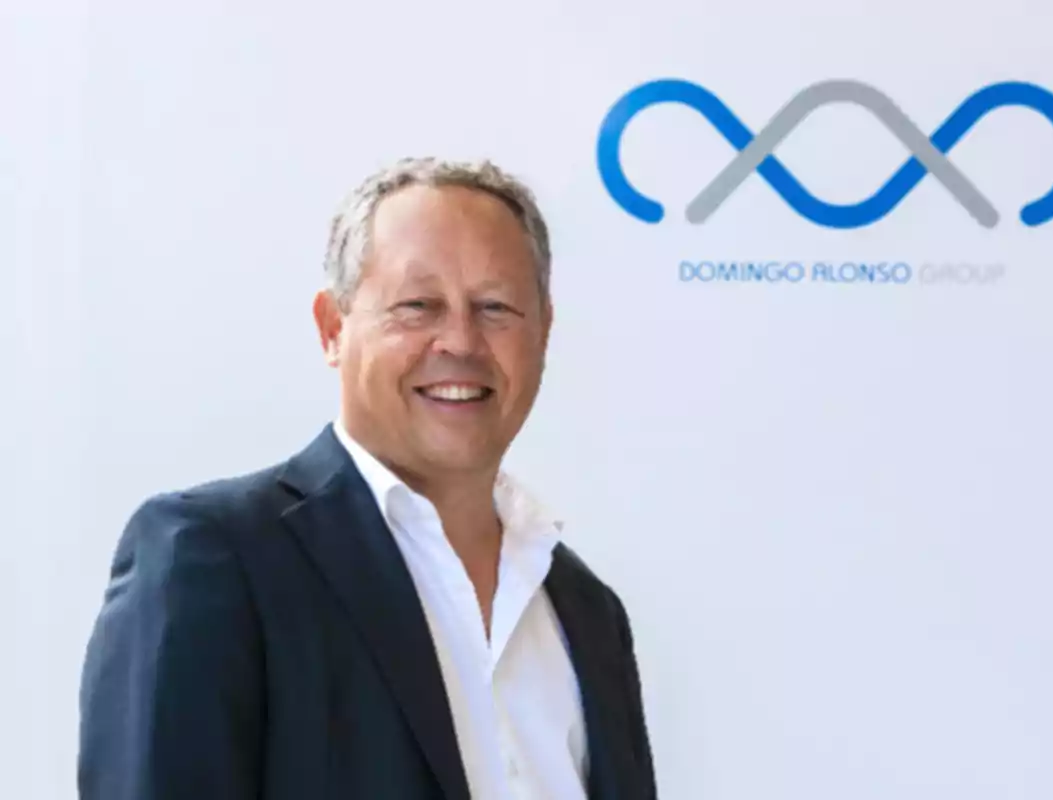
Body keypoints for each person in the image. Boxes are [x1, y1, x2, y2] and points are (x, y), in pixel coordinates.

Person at [77, 157, 657, 800]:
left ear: (544, 331)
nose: (460, 342)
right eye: (418, 306)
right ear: (333, 328)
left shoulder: (588, 612)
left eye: (495, 307)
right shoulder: (214, 558)